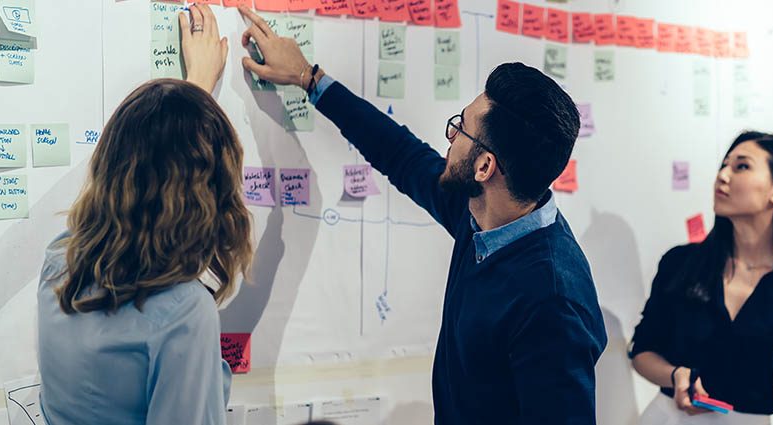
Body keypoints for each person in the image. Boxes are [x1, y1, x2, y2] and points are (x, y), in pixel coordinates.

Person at [233, 6, 607, 424]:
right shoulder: (483, 215)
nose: (449, 139)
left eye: (459, 129)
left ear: (484, 167)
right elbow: (400, 153)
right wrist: (309, 77)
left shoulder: (552, 300)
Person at [36, 6, 248, 424]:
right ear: (211, 193)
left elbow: (146, 162)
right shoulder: (183, 311)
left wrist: (193, 93)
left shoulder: (61, 260)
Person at [631, 132, 773, 425]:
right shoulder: (681, 263)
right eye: (724, 165)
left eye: (741, 166)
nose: (722, 176)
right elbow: (642, 350)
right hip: (666, 418)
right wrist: (676, 374)